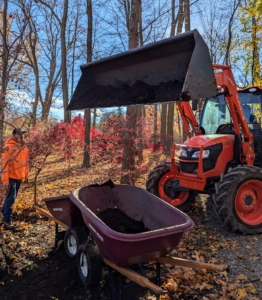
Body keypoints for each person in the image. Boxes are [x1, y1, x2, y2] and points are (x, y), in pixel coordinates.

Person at [1, 128, 29, 230]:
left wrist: (26, 176)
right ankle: (7, 221)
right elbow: (4, 164)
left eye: (22, 134)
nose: (21, 136)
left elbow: (26, 163)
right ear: (14, 135)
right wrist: (5, 181)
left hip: (19, 177)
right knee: (11, 198)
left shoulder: (24, 148)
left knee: (11, 197)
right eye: (19, 134)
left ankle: (3, 213)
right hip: (11, 177)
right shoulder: (8, 147)